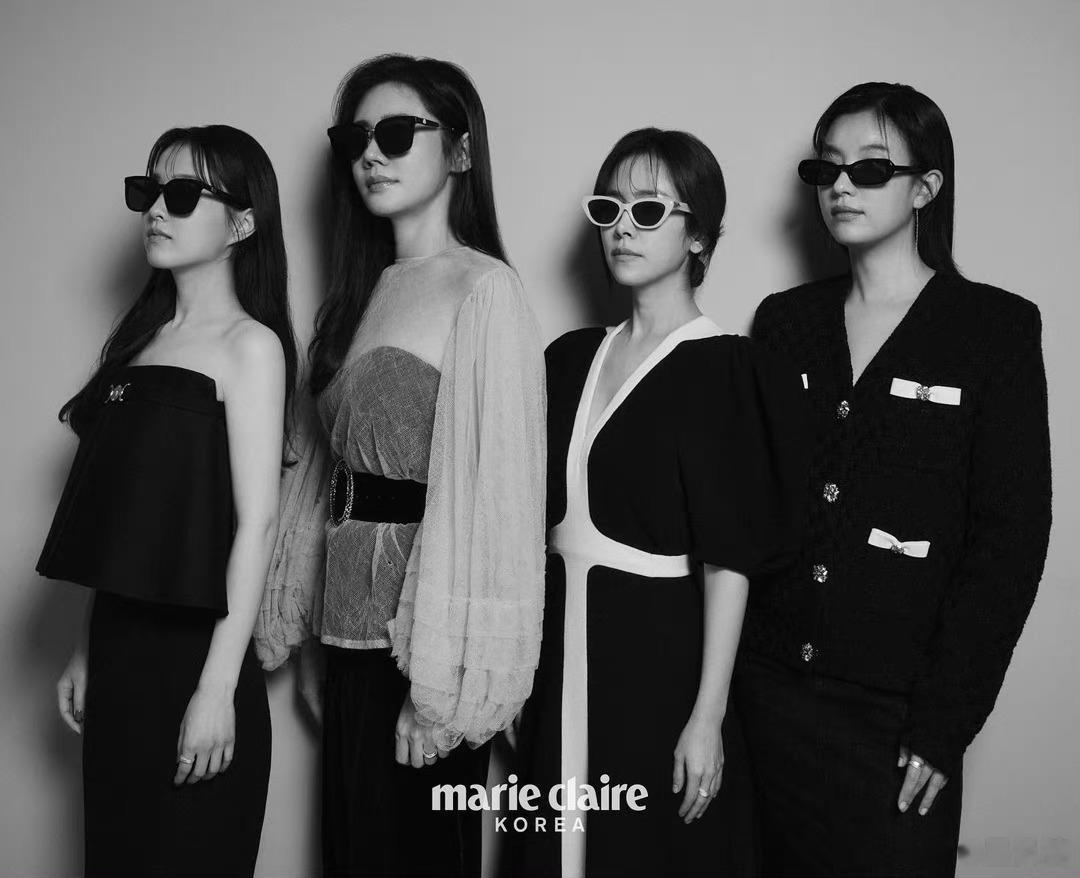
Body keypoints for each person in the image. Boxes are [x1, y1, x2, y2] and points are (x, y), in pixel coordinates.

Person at [738, 81, 1053, 878]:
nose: (841, 185)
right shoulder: (785, 322)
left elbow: (1011, 540)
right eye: (828, 168)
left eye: (871, 168)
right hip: (765, 698)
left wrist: (945, 723)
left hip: (896, 715)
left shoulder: (995, 329)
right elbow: (747, 508)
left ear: (925, 187)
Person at [254, 54, 546, 877]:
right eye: (354, 139)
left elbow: (498, 503)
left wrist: (442, 690)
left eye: (394, 133)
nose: (371, 156)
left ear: (460, 149)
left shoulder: (485, 290)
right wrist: (315, 639)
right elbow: (326, 484)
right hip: (347, 640)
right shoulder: (361, 290)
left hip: (426, 651)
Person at [513, 128, 807, 878]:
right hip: (555, 654)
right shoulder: (568, 358)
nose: (622, 228)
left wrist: (707, 716)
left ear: (699, 235)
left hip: (657, 662)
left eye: (648, 211)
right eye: (609, 208)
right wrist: (511, 679)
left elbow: (730, 560)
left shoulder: (726, 367)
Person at [39, 124, 295, 877]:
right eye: (148, 191)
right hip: (119, 654)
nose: (156, 208)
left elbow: (257, 524)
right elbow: (122, 525)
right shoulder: (137, 345)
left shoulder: (251, 347)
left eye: (182, 194)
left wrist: (218, 689)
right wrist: (87, 646)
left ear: (242, 224)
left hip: (200, 656)